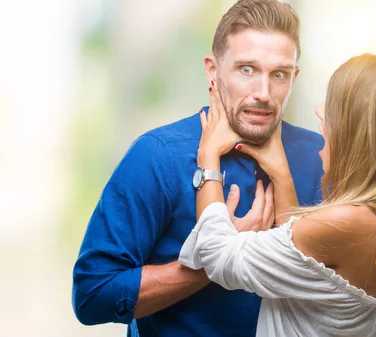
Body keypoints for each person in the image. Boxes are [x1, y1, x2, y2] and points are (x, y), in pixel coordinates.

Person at [71, 1, 324, 336]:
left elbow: (337, 290)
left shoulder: (322, 158)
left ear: (294, 77)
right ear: (212, 71)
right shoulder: (157, 156)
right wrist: (220, 258)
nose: (263, 93)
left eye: (279, 74)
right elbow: (93, 295)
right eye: (247, 69)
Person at [179, 53, 376, 336]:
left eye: (335, 106)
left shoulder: (347, 222)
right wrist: (280, 171)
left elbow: (215, 255)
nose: (319, 110)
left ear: (360, 131)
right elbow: (306, 264)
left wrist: (208, 156)